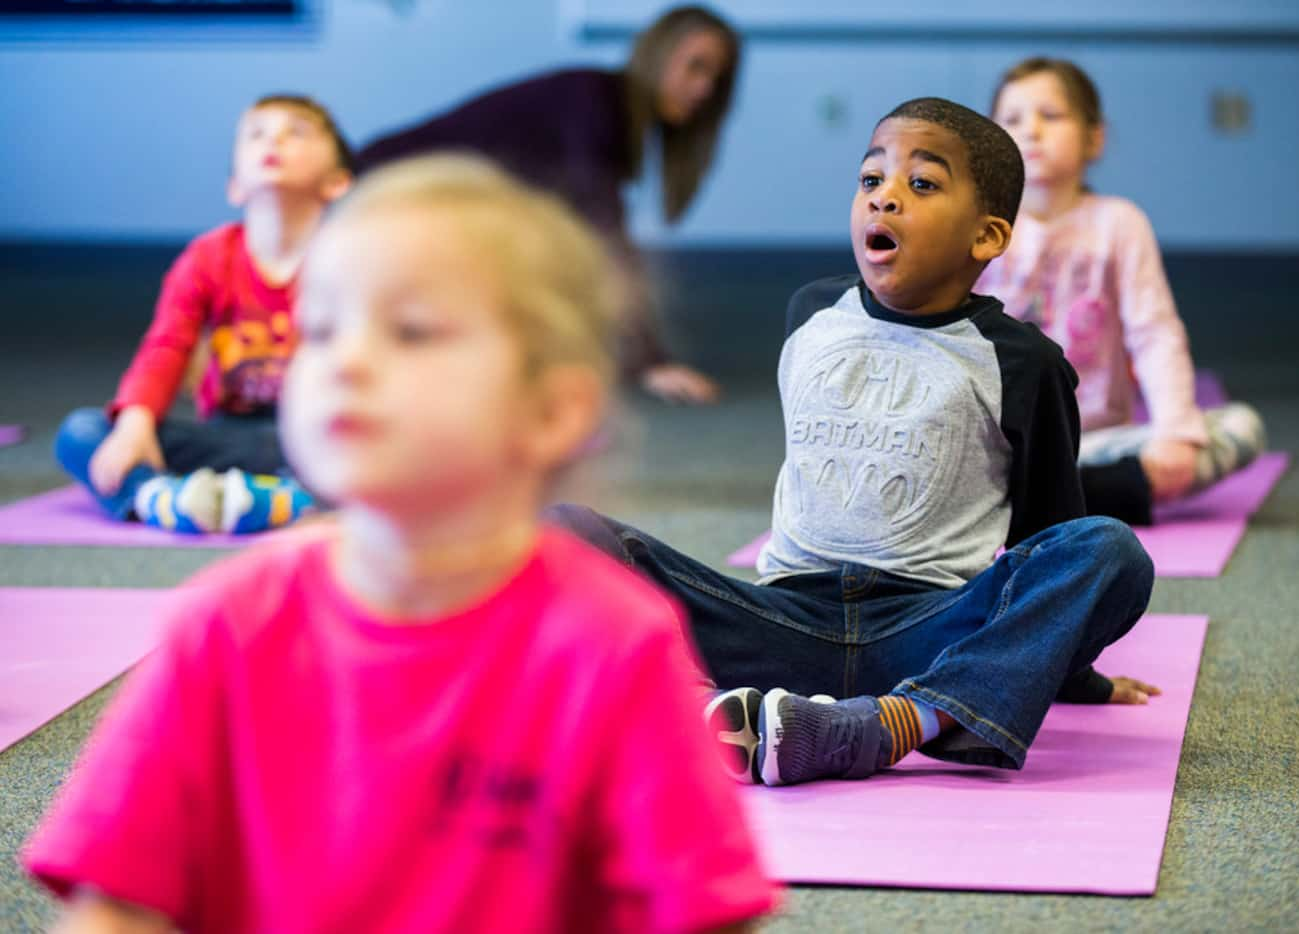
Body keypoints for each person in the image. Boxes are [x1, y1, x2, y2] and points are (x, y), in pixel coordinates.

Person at [23, 156, 778, 932]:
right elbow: (114, 906)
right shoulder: (224, 625)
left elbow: (699, 910)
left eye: (410, 330)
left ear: (554, 410)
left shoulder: (612, 646)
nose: (345, 360)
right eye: (319, 330)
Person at [549, 97, 1159, 789]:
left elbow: (1048, 531)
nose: (884, 200)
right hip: (777, 622)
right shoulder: (810, 313)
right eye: (871, 181)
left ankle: (891, 726)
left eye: (921, 185)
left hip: (926, 636)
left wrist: (1064, 668)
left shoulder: (1024, 362)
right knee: (561, 527)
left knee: (1108, 550)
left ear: (986, 237)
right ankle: (701, 714)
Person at [357, 5, 741, 405]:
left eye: (717, 78)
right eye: (696, 67)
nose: (705, 90)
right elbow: (604, 233)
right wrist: (649, 360)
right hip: (380, 193)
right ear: (657, 54)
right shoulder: (593, 100)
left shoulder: (612, 113)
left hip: (418, 209)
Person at [977, 57, 1266, 525]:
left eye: (1050, 116)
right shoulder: (979, 228)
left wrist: (1175, 431)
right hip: (1001, 448)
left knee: (1241, 427)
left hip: (1098, 445)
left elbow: (1155, 332)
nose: (1030, 130)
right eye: (1011, 120)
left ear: (1095, 137)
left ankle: (1055, 500)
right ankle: (1082, 500)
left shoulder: (1120, 223)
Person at [53, 94, 354, 534]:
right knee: (81, 432)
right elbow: (167, 345)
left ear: (336, 183)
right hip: (227, 436)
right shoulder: (209, 257)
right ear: (235, 186)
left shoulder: (351, 255)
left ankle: (283, 500)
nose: (275, 141)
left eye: (298, 132)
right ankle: (162, 500)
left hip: (314, 435)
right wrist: (136, 423)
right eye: (257, 134)